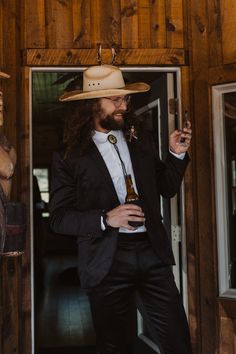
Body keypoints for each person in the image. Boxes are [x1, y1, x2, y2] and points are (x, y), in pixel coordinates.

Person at [49, 64, 193, 354]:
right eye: (115, 99)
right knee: (115, 347)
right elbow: (59, 218)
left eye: (125, 99)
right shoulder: (68, 156)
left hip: (152, 254)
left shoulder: (141, 140)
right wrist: (106, 218)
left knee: (179, 343)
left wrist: (176, 154)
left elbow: (165, 187)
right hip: (106, 261)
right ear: (92, 104)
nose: (123, 106)